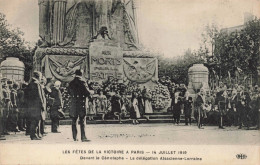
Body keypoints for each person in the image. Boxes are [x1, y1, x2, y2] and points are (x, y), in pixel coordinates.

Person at [68, 69, 90, 142]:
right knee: (82, 120)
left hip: (74, 103)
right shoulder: (82, 82)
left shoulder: (71, 83)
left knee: (74, 120)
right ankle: (83, 137)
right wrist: (91, 92)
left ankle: (75, 137)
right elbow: (87, 93)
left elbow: (68, 92)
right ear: (81, 74)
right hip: (81, 103)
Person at [26, 71, 46, 140]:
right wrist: (42, 105)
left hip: (31, 105)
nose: (41, 78)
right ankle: (34, 135)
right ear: (38, 76)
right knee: (36, 120)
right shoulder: (36, 84)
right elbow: (39, 96)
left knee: (35, 120)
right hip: (36, 106)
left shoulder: (30, 84)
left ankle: (37, 134)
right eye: (40, 77)